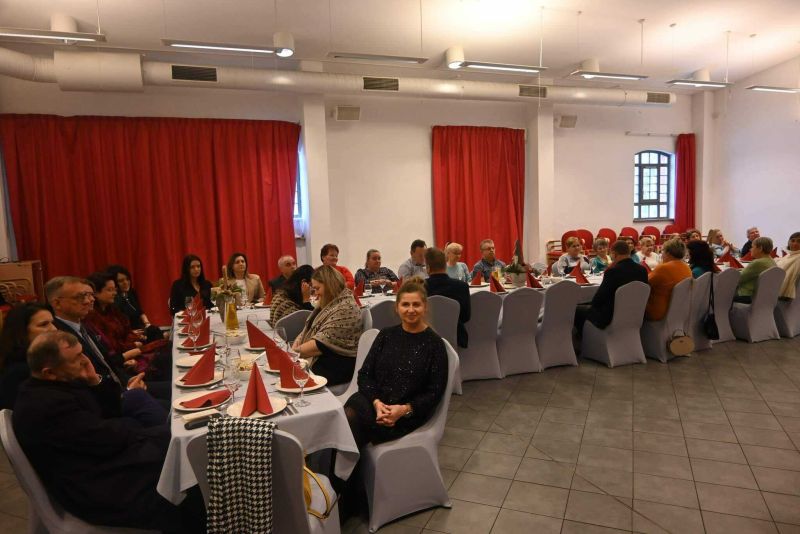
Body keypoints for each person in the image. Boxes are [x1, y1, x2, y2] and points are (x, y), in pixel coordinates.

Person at [12, 331, 203, 532]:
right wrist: (133, 425)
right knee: (189, 474)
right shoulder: (46, 406)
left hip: (103, 463)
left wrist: (94, 380)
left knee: (180, 448)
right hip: (99, 487)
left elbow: (111, 413)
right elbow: (106, 439)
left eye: (82, 353)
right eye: (76, 358)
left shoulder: (60, 382)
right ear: (49, 372)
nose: (84, 360)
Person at [344, 278, 448, 448]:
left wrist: (404, 409)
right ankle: (349, 463)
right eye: (405, 304)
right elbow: (365, 374)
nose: (411, 310)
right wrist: (377, 403)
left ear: (425, 307)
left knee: (350, 423)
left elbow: (435, 392)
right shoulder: (386, 335)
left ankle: (345, 465)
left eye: (416, 304)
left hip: (406, 414)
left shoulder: (434, 344)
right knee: (348, 416)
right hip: (375, 403)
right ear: (397, 307)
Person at [47, 276, 167, 424]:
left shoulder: (83, 326)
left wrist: (127, 381)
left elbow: (107, 363)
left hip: (122, 386)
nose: (89, 300)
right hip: (109, 405)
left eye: (89, 295)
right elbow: (85, 386)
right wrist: (128, 392)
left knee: (176, 391)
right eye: (80, 297)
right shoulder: (60, 338)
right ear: (57, 303)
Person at [84, 272, 169, 380]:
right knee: (164, 355)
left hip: (130, 349)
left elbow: (127, 330)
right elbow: (111, 347)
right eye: (110, 290)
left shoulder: (112, 310)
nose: (115, 293)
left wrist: (134, 341)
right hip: (123, 357)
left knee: (165, 345)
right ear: (96, 293)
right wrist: (133, 346)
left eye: (115, 289)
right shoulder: (92, 317)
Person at [292, 265, 362, 386]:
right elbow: (307, 329)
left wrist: (291, 355)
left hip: (337, 365)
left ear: (330, 285)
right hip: (325, 357)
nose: (315, 293)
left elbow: (320, 345)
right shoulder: (331, 302)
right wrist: (294, 349)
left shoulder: (346, 308)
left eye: (317, 288)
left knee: (292, 377)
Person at [575, 240, 648, 332]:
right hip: (636, 314)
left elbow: (598, 300)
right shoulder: (642, 270)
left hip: (612, 316)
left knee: (577, 309)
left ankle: (583, 338)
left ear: (614, 254)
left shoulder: (613, 271)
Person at [0, 303, 56, 409]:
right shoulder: (19, 371)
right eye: (44, 325)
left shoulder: (45, 359)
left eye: (52, 323)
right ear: (23, 331)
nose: (54, 329)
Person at [424, 248, 471, 348]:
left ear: (428, 267)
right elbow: (466, 317)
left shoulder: (419, 287)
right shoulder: (462, 286)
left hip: (426, 338)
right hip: (456, 339)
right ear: (445, 265)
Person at [645, 239, 692, 320]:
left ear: (668, 253)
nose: (661, 254)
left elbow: (644, 284)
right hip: (678, 311)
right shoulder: (686, 267)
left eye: (662, 251)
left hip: (658, 312)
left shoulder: (663, 268)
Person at [105, 264, 150, 329]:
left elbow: (140, 311)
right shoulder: (113, 299)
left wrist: (147, 324)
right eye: (121, 281)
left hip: (140, 328)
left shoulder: (132, 292)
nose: (126, 283)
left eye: (127, 279)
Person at [735, 236, 777, 303]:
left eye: (752, 247)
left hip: (748, 295)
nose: (750, 249)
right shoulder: (772, 261)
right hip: (764, 297)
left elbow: (738, 279)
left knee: (723, 294)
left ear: (760, 248)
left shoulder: (758, 263)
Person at [777, 232, 800, 299]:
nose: (795, 243)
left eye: (799, 241)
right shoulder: (788, 256)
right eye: (793, 241)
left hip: (786, 297)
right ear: (789, 242)